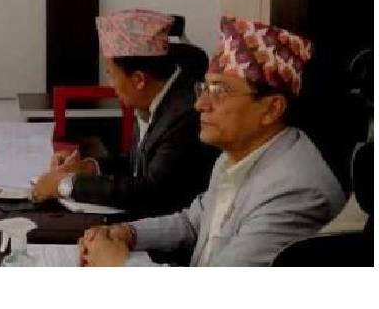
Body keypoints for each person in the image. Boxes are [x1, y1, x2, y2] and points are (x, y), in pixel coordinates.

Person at [80, 17, 346, 267]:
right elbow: (192, 222)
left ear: (271, 109)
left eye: (220, 91)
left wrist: (121, 264)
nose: (200, 104)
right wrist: (128, 233)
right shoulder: (236, 155)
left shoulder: (294, 192)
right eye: (204, 88)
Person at [30, 9, 217, 220]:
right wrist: (88, 168)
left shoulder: (186, 114)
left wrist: (65, 185)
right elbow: (135, 165)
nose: (111, 85)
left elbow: (151, 191)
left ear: (139, 80)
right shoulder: (152, 98)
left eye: (111, 74)